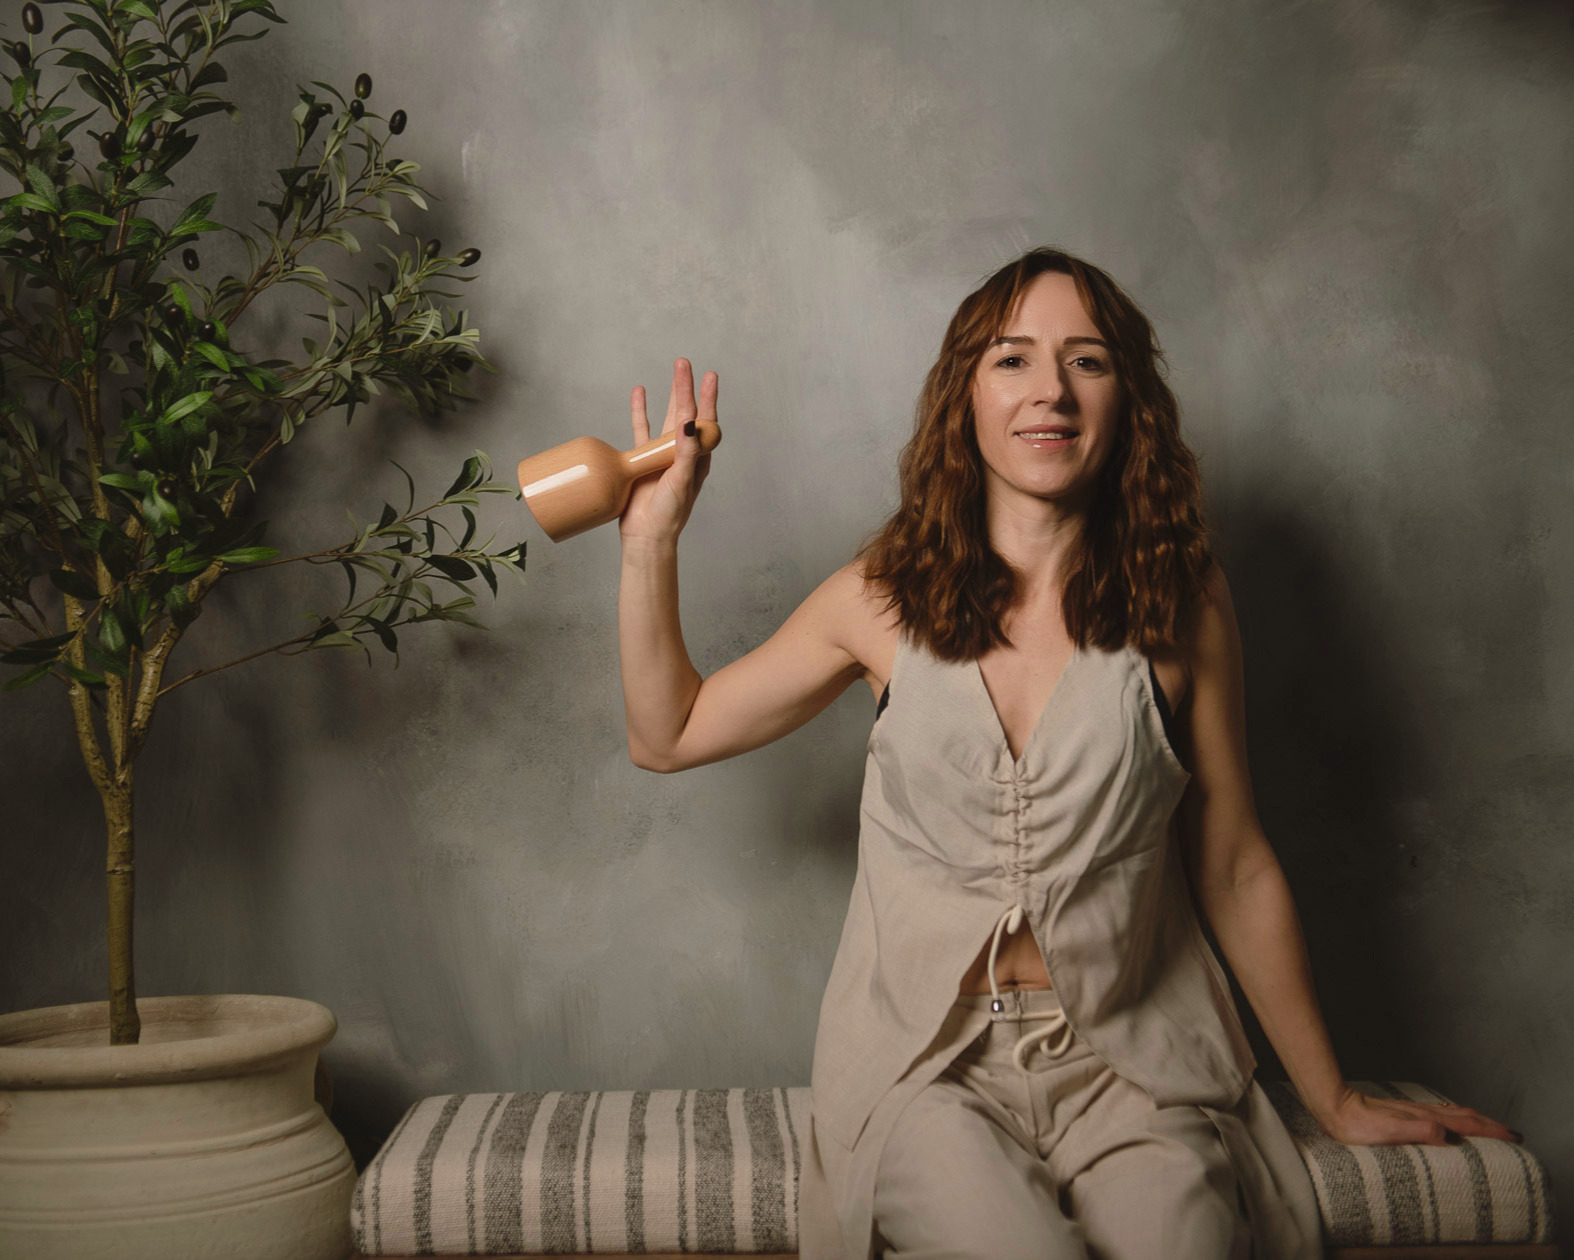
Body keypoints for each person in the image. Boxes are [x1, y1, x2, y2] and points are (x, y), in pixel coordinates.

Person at [614, 246, 1521, 1260]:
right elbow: (669, 733)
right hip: (927, 1072)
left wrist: (1333, 1095)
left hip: (1131, 1067)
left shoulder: (1184, 603)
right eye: (1010, 360)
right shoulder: (878, 596)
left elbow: (1230, 863)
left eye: (1085, 361)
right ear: (963, 393)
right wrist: (653, 539)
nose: (1048, 389)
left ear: (1127, 397)